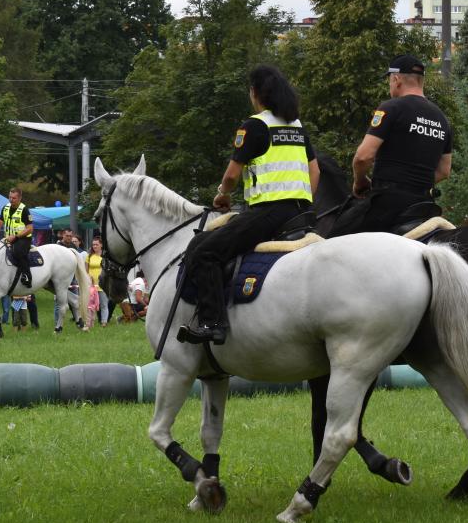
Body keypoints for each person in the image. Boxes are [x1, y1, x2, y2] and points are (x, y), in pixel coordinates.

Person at [179, 64, 319, 344]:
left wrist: (222, 194)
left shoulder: (255, 126)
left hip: (267, 213)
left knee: (206, 252)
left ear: (256, 93)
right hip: (301, 214)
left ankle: (212, 322)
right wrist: (303, 201)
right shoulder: (296, 126)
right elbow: (315, 172)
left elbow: (232, 175)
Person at [328, 55, 452, 237]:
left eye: (389, 80)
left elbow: (363, 157)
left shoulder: (391, 107)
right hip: (424, 205)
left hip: (388, 204)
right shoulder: (442, 119)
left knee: (332, 241)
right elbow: (444, 171)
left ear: (396, 79)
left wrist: (360, 181)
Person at [0, 187, 33, 289]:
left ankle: (27, 276)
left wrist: (16, 236)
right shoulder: (5, 208)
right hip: (8, 238)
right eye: (9, 197)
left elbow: (30, 228)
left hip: (23, 238)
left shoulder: (24, 210)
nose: (11, 200)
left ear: (20, 198)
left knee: (18, 252)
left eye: (14, 198)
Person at [86, 236, 110, 328]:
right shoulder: (89, 256)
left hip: (103, 284)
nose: (94, 246)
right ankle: (90, 322)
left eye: (96, 244)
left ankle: (104, 322)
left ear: (101, 245)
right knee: (91, 305)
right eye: (93, 245)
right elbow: (86, 271)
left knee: (104, 304)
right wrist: (88, 279)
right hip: (91, 285)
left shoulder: (106, 256)